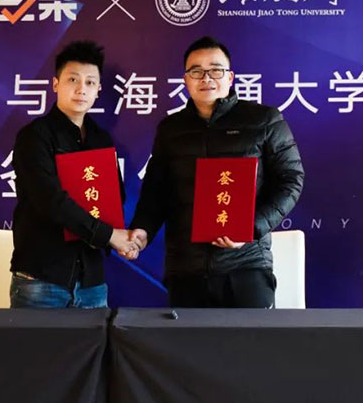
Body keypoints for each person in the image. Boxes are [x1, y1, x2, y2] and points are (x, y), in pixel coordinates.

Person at [128, 36, 304, 308]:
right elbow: (156, 191)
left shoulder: (264, 119)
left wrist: (251, 228)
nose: (206, 78)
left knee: (249, 337)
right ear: (186, 80)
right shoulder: (170, 129)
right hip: (185, 269)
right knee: (185, 338)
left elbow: (291, 180)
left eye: (216, 70)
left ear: (230, 77)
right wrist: (142, 231)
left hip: (246, 266)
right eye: (196, 71)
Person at [9, 40, 136, 308]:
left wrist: (121, 238)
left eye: (90, 82)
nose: (81, 89)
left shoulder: (101, 139)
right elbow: (49, 200)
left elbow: (115, 197)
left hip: (92, 283)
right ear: (56, 84)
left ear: (99, 90)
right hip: (41, 280)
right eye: (73, 80)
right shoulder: (34, 137)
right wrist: (110, 236)